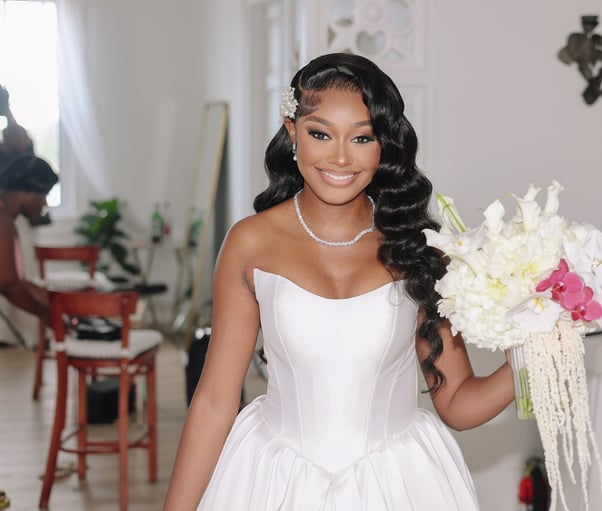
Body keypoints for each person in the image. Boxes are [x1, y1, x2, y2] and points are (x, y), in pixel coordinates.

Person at [164, 53, 516, 510]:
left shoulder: (419, 250)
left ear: (384, 145)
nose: (341, 157)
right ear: (292, 133)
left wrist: (534, 356)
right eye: (320, 134)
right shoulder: (249, 243)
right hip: (276, 482)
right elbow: (214, 401)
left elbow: (459, 404)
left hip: (398, 485)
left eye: (362, 137)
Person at [0, 154, 58, 324]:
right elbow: (8, 285)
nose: (44, 204)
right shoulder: (2, 219)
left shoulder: (7, 219)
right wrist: (48, 315)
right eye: (44, 195)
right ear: (26, 191)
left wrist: (63, 305)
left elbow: (18, 282)